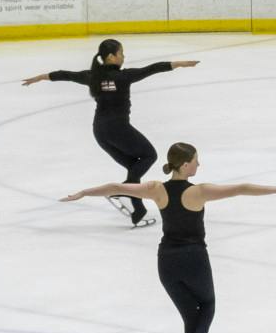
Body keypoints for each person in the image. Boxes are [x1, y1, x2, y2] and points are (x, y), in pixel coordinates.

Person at [62, 143, 276, 333]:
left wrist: (84, 192)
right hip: (194, 257)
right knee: (207, 306)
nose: (199, 165)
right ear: (185, 164)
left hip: (166, 261)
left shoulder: (156, 189)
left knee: (190, 316)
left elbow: (117, 187)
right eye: (196, 160)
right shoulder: (200, 191)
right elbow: (240, 189)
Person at [24, 41, 201, 227]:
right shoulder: (124, 76)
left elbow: (66, 75)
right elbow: (151, 69)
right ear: (111, 57)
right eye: (121, 53)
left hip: (100, 131)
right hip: (118, 128)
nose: (123, 57)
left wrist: (40, 77)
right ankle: (124, 193)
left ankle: (137, 211)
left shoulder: (92, 76)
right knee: (150, 155)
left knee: (135, 166)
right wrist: (179, 64)